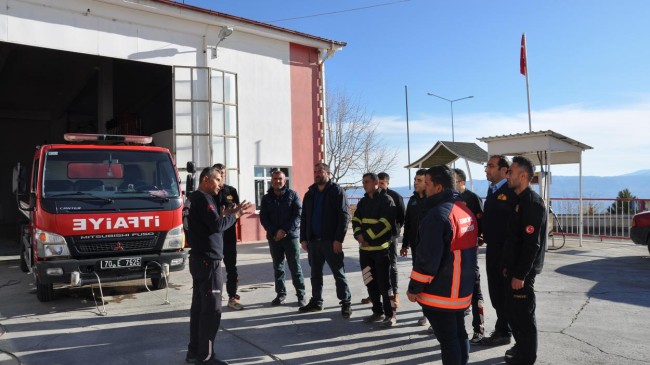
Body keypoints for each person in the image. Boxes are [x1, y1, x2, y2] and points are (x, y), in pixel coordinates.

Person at [406, 165, 478, 365]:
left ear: (438, 188)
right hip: (461, 289)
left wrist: (414, 288)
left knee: (448, 341)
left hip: (442, 292)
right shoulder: (464, 210)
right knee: (459, 334)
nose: (424, 188)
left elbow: (427, 260)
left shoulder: (438, 215)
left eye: (427, 184)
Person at [186, 167, 252, 365]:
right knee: (211, 311)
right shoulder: (204, 199)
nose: (220, 184)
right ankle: (205, 357)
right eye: (217, 179)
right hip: (208, 263)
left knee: (199, 309)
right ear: (205, 179)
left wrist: (226, 216)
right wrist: (236, 215)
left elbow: (212, 224)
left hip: (199, 260)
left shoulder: (193, 199)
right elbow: (216, 225)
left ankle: (194, 353)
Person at [502, 156, 547, 365]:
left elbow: (532, 245)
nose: (507, 175)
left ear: (523, 175)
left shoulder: (532, 203)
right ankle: (520, 351)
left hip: (523, 273)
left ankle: (527, 359)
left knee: (525, 318)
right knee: (514, 315)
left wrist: (520, 274)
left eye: (510, 171)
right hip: (513, 270)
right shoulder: (519, 200)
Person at [298, 162, 352, 318]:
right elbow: (304, 217)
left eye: (320, 171)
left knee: (338, 273)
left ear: (328, 173)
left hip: (330, 241)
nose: (317, 174)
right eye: (315, 171)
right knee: (315, 274)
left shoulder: (337, 192)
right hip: (314, 242)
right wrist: (303, 238)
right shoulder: (310, 194)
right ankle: (316, 302)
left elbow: (344, 216)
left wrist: (338, 239)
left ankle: (346, 302)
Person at [475, 155, 517, 347]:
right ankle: (502, 329)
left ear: (504, 170)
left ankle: (505, 331)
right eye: (487, 166)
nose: (486, 169)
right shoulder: (492, 190)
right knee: (496, 292)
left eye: (491, 166)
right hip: (492, 249)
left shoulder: (511, 191)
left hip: (505, 251)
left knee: (504, 293)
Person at [353, 173, 396, 328]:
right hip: (365, 251)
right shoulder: (363, 201)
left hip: (381, 251)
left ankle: (390, 315)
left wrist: (366, 237)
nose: (364, 185)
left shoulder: (386, 200)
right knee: (369, 282)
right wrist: (358, 235)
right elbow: (356, 219)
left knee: (385, 284)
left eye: (367, 182)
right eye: (363, 182)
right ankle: (377, 312)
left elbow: (385, 224)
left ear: (376, 182)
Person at [259, 169, 306, 306]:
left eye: (280, 178)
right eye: (275, 179)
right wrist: (275, 232)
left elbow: (298, 215)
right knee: (278, 267)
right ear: (271, 180)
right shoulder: (266, 198)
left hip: (290, 237)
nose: (277, 181)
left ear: (284, 181)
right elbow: (264, 218)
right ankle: (281, 294)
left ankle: (301, 295)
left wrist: (284, 230)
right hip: (274, 238)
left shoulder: (292, 195)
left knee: (295, 267)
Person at [453, 168, 486, 343]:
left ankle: (479, 329)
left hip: (470, 252)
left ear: (462, 182)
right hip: (454, 255)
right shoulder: (450, 200)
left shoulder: (472, 198)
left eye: (454, 181)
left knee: (475, 290)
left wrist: (480, 237)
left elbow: (481, 222)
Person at [212, 163, 243, 311]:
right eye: (218, 173)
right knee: (213, 268)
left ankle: (232, 297)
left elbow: (236, 211)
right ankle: (212, 299)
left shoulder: (231, 191)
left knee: (231, 267)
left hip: (229, 235)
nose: (221, 175)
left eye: (223, 173)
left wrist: (235, 212)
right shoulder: (210, 193)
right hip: (215, 235)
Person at [400, 168, 428, 327]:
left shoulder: (432, 200)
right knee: (419, 279)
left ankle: (432, 314)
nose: (415, 183)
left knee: (431, 281)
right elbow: (408, 223)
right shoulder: (412, 200)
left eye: (419, 180)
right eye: (415, 180)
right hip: (416, 248)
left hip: (430, 249)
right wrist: (405, 244)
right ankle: (426, 313)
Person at [377, 172, 405, 307]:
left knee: (392, 265)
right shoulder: (372, 197)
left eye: (382, 183)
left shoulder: (396, 197)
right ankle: (375, 294)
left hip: (391, 237)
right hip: (375, 239)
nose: (379, 186)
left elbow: (401, 217)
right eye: (378, 183)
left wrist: (394, 232)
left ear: (387, 183)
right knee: (376, 266)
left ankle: (395, 293)